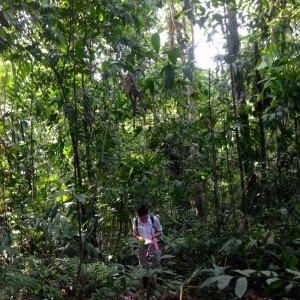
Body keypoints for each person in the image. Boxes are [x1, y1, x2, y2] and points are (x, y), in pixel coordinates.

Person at [132, 204, 162, 270]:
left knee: (156, 262)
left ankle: (156, 277)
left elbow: (160, 232)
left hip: (154, 244)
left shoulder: (154, 219)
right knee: (143, 263)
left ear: (147, 214)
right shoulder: (135, 221)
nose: (143, 219)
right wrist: (140, 238)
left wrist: (153, 236)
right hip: (142, 244)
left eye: (144, 217)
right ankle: (145, 278)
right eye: (141, 218)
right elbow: (135, 234)